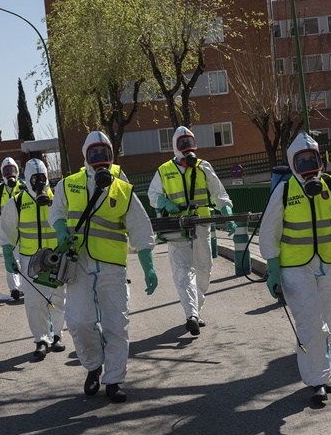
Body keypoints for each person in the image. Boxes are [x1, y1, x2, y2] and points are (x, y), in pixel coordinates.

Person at [49, 131, 158, 403]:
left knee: (116, 325)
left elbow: (141, 229)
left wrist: (149, 266)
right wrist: (61, 230)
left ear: (112, 155)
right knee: (78, 321)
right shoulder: (68, 184)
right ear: (85, 157)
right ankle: (93, 364)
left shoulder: (123, 189)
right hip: (79, 264)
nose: (100, 160)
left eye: (105, 154)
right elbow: (56, 212)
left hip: (112, 267)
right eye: (94, 154)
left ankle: (114, 380)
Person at [258, 131, 331, 404]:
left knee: (328, 322)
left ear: (321, 159)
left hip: (329, 261)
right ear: (293, 164)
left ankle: (324, 374)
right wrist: (273, 268)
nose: (308, 168)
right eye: (301, 162)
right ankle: (316, 381)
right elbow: (269, 232)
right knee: (311, 323)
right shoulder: (284, 191)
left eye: (312, 159)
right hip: (295, 268)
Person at [147, 126, 235, 336]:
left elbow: (218, 193)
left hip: (201, 226)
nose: (187, 149)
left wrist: (227, 212)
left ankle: (195, 310)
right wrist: (164, 203)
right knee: (183, 273)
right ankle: (191, 315)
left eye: (189, 144)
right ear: (176, 148)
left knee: (204, 271)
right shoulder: (164, 170)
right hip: (176, 229)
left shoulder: (204, 167)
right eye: (183, 144)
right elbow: (152, 194)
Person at [0, 158, 66, 359]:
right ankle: (41, 339)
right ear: (27, 179)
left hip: (56, 258)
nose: (38, 182)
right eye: (34, 179)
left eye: (41, 178)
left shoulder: (59, 198)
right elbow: (7, 231)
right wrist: (7, 254)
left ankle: (56, 336)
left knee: (58, 298)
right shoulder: (16, 203)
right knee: (35, 301)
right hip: (30, 261)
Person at [0, 157, 23, 300]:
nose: (10, 174)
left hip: (23, 228)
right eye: (7, 171)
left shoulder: (23, 187)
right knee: (10, 258)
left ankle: (24, 286)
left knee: (24, 258)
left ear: (17, 171)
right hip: (7, 230)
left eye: (12, 170)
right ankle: (15, 288)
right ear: (2, 174)